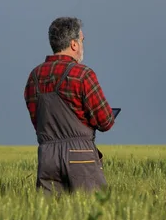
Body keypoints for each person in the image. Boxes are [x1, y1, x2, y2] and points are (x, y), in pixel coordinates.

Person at [24, 17, 115, 194]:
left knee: (50, 217)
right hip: (81, 157)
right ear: (73, 44)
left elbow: (38, 121)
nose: (82, 45)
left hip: (47, 156)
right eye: (82, 40)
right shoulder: (83, 74)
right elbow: (105, 122)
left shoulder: (33, 77)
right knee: (92, 214)